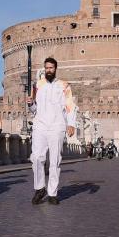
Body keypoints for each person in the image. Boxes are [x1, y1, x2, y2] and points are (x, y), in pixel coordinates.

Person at [27, 57, 77, 205]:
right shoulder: (37, 85)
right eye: (46, 68)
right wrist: (30, 104)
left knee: (54, 160)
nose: (48, 70)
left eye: (51, 68)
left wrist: (71, 124)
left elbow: (70, 105)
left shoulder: (64, 86)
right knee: (36, 157)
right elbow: (34, 109)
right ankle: (39, 187)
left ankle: (52, 192)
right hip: (40, 125)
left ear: (55, 69)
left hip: (57, 126)